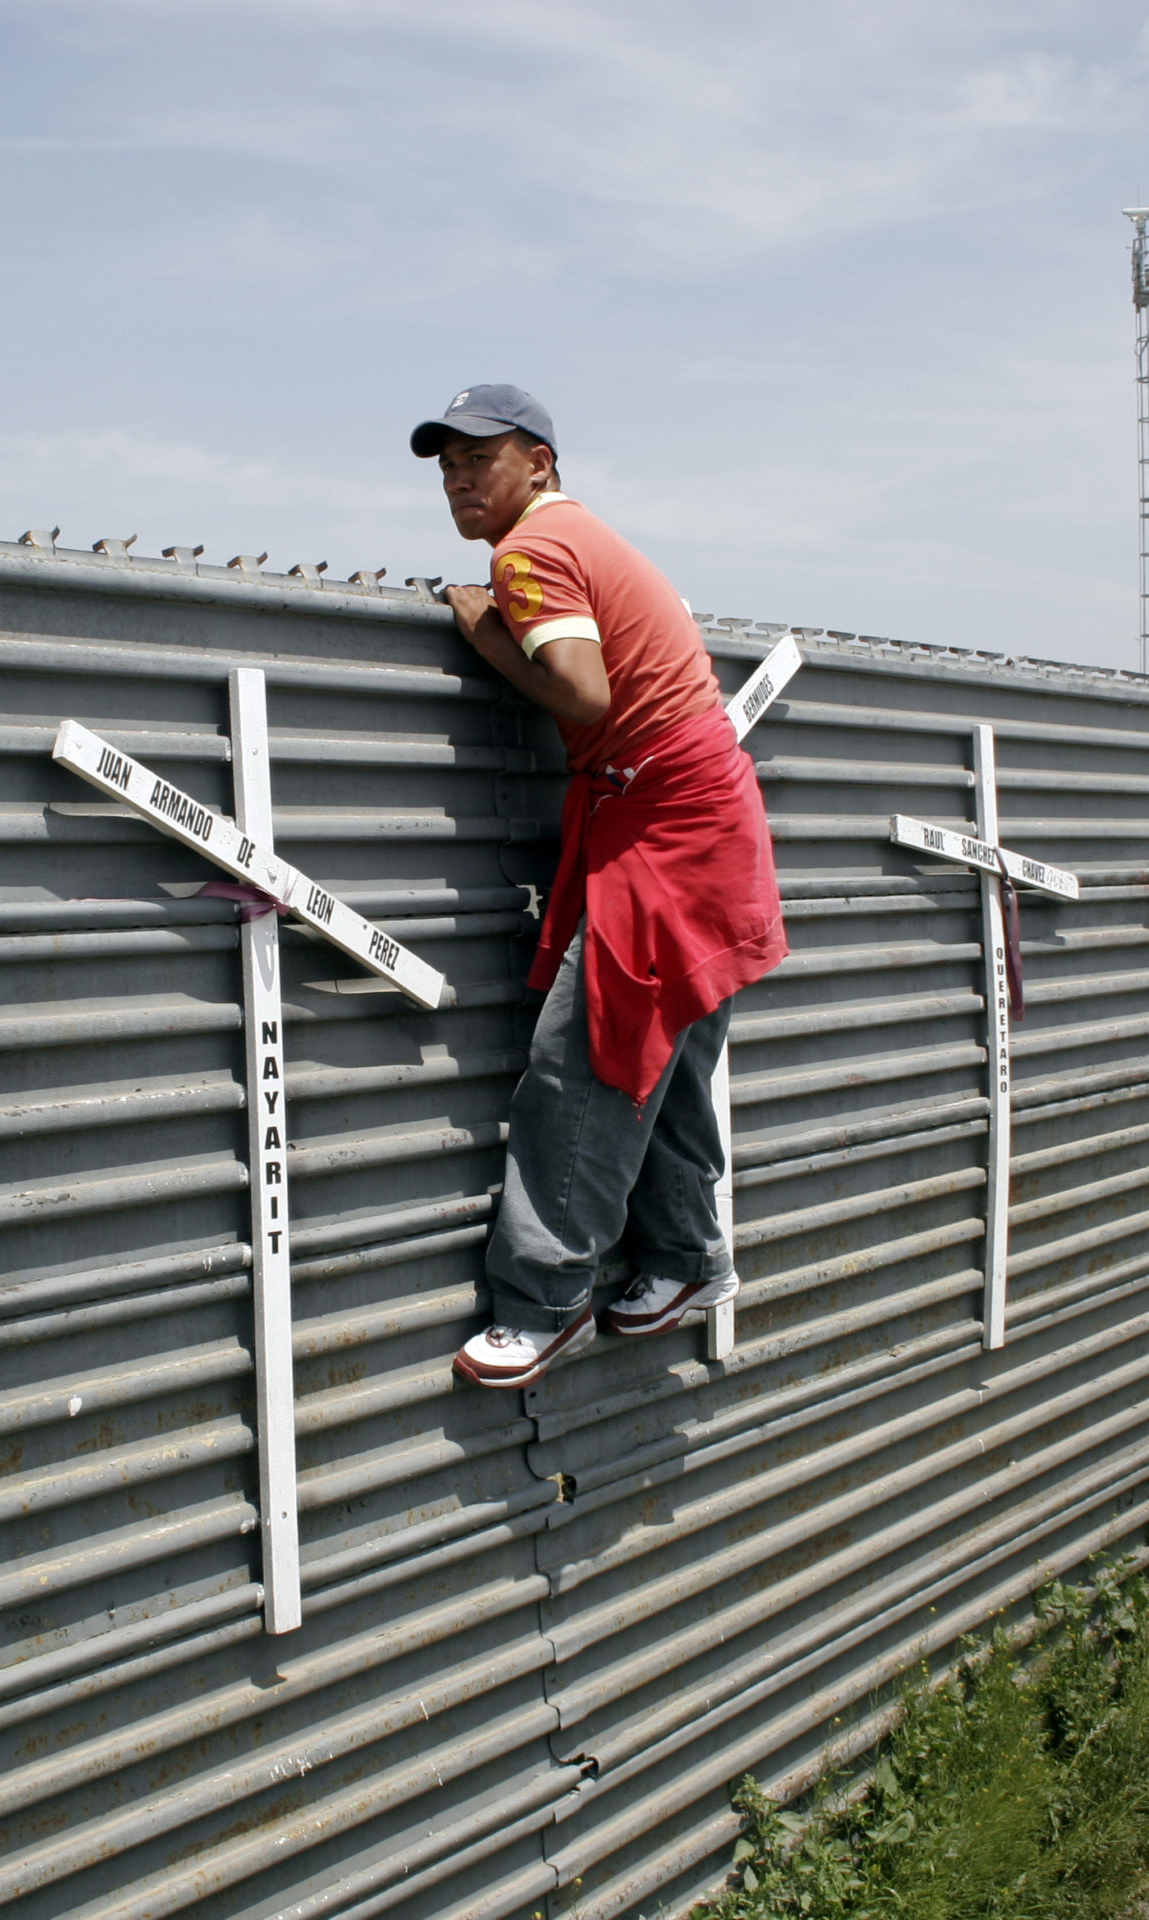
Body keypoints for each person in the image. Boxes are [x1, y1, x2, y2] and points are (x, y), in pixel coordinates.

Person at [410, 383, 787, 1388]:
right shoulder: (584, 535)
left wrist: (485, 635)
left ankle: (544, 1303)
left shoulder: (530, 551)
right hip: (698, 817)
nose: (458, 481)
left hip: (664, 828)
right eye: (447, 467)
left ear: (539, 462)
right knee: (662, 1059)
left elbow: (582, 692)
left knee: (586, 1065)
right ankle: (686, 1260)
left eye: (478, 460)